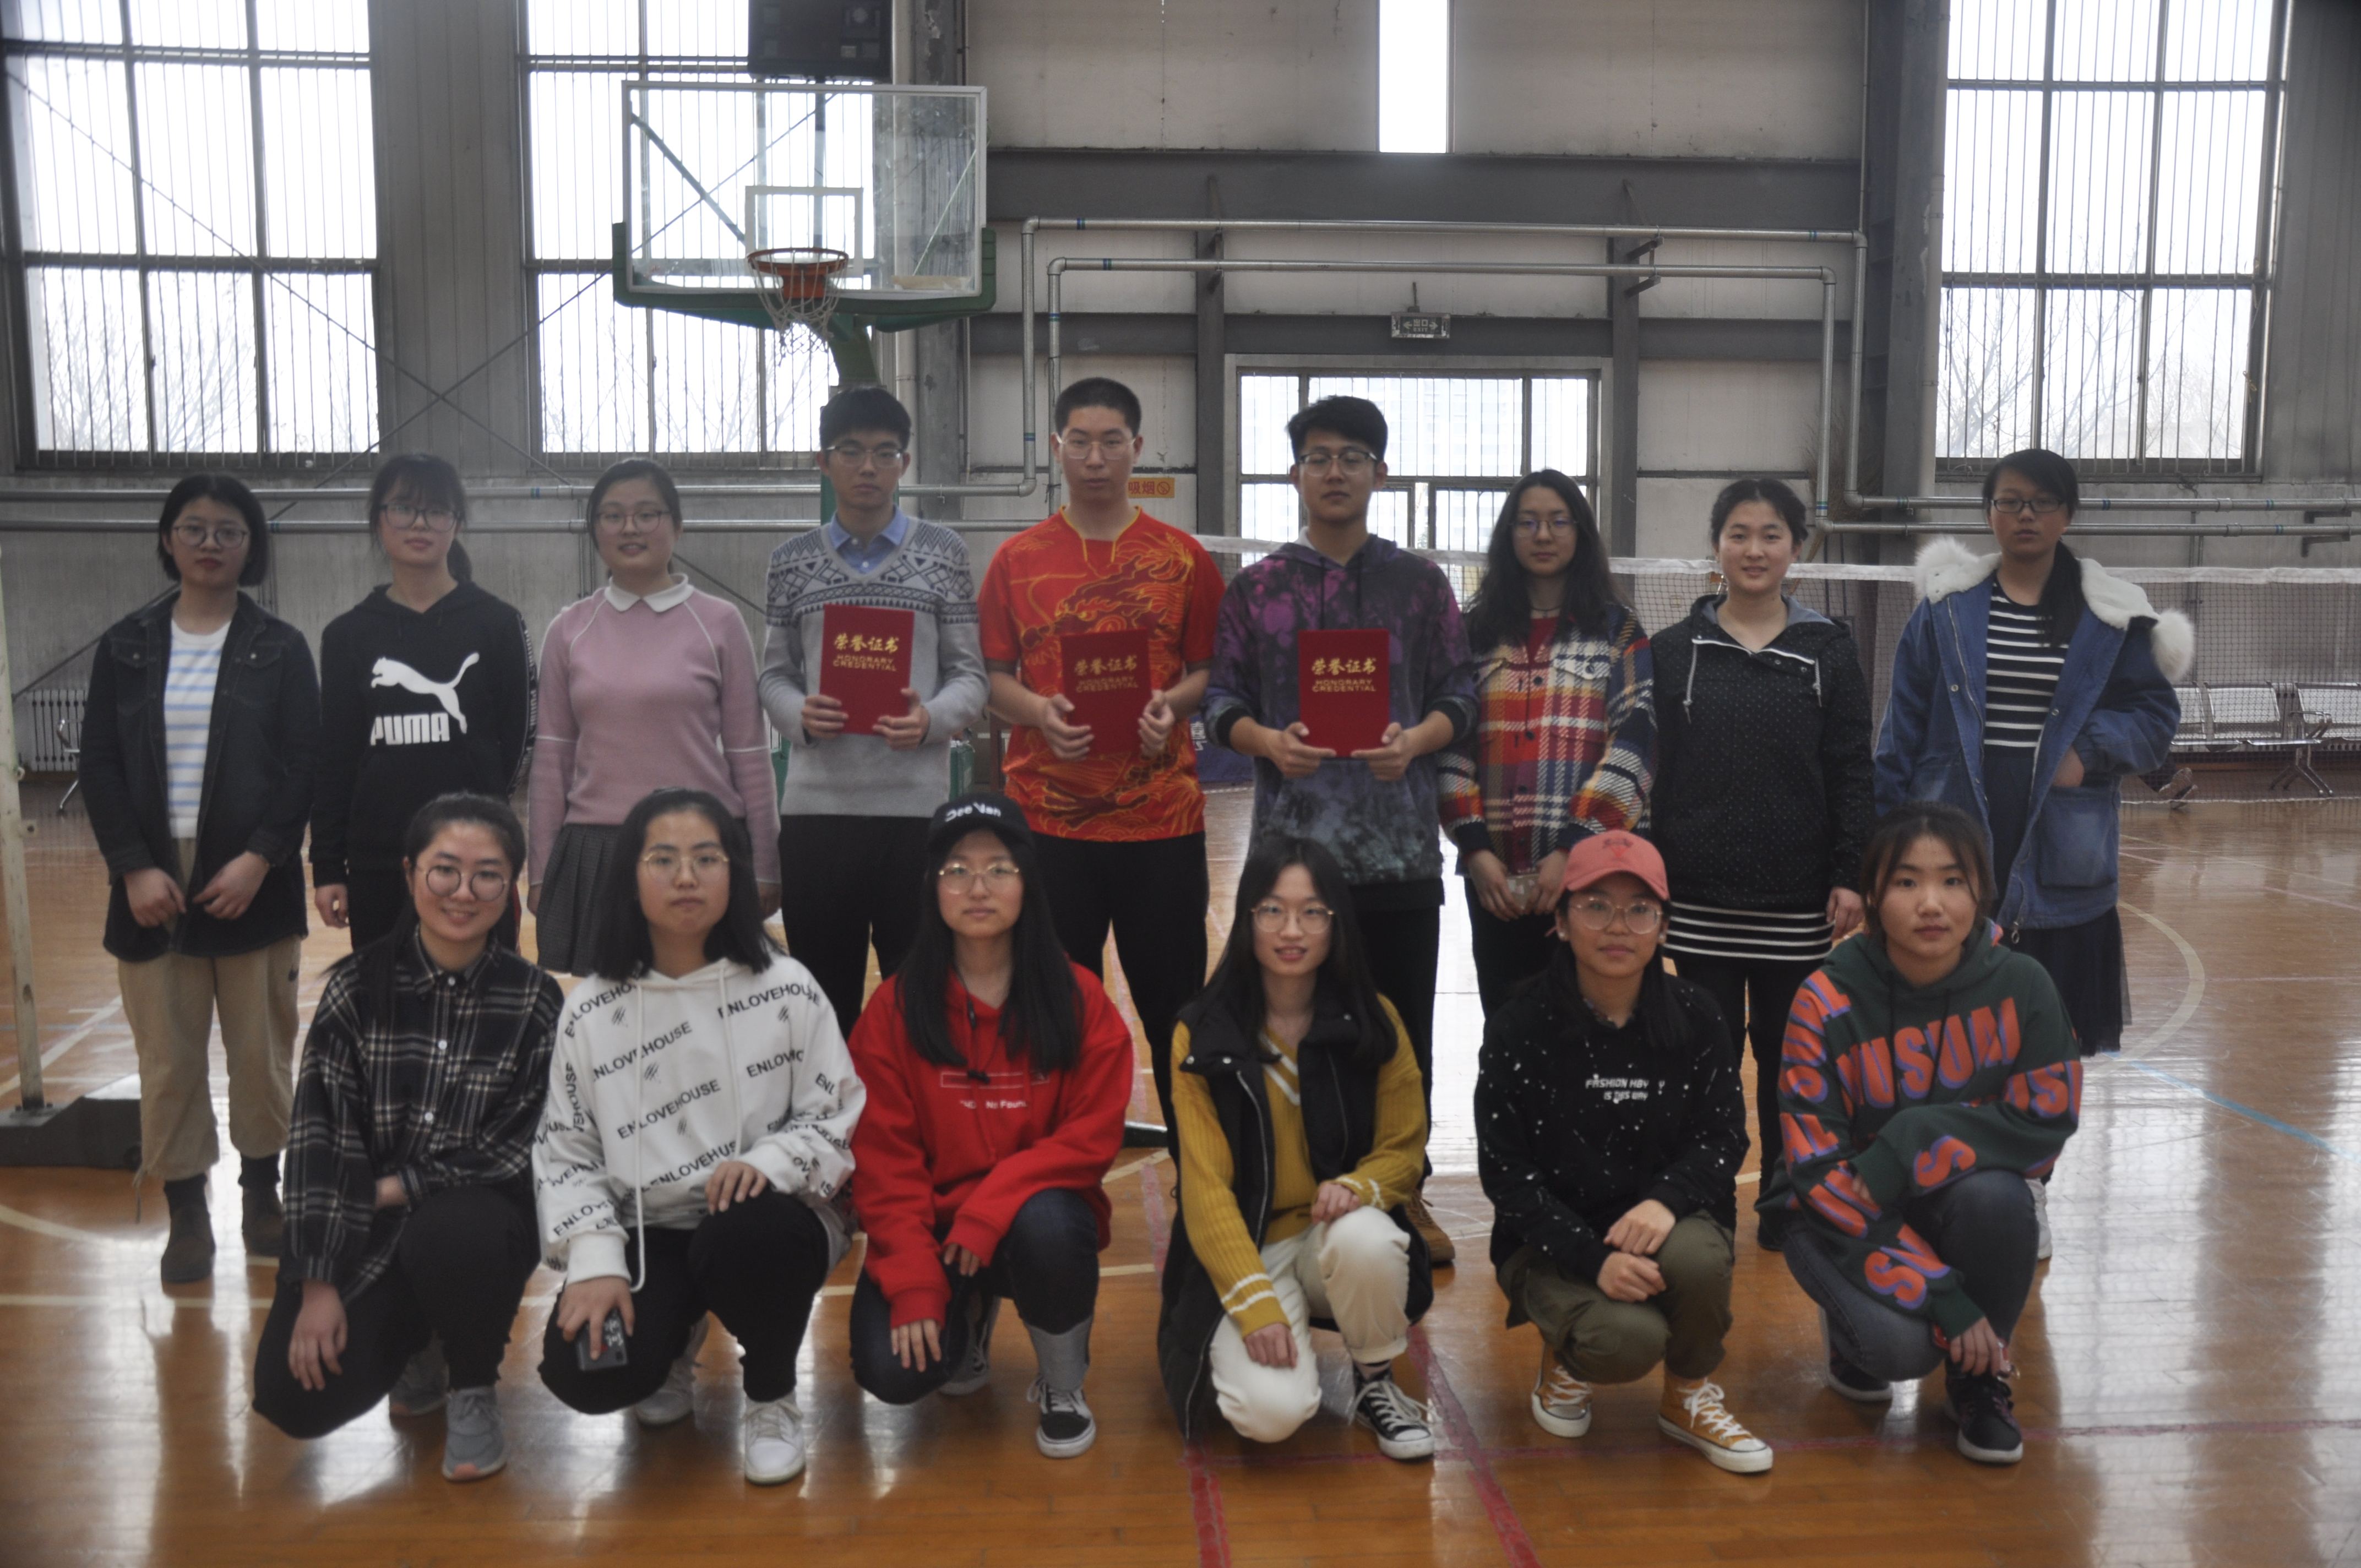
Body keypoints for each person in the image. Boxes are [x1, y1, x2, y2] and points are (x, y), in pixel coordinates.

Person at [1876, 448, 2186, 1252]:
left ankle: (2028, 1186)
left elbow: (2155, 719)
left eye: (2042, 502)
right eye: (2009, 501)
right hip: (1953, 845)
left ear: (2066, 516)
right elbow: (1901, 730)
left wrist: (2090, 752)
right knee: (1945, 1033)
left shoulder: (2111, 618)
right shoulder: (1944, 611)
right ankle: (1943, 1181)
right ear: (1988, 512)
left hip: (2061, 856)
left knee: (2045, 1042)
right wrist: (1883, 853)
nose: (2024, 515)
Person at [1201, 394, 1476, 1263]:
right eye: (1318, 457)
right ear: (1295, 474)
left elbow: (1461, 696)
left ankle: (1404, 1193)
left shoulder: (1420, 586)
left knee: (1402, 1038)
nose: (1334, 472)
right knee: (1295, 1037)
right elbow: (1219, 703)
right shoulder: (1259, 589)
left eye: (1352, 457)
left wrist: (1417, 742)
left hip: (1400, 854)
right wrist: (1267, 742)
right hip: (1293, 862)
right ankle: (1297, 1196)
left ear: (1379, 474)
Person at [535, 787, 862, 1485]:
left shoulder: (788, 987)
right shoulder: (590, 1009)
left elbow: (834, 1118)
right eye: (663, 859)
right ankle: (672, 1338)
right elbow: (566, 1152)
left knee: (747, 1235)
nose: (686, 877)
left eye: (706, 858)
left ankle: (771, 1393)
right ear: (630, 876)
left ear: (735, 873)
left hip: (766, 1221)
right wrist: (594, 1256)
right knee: (586, 1373)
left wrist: (771, 1162)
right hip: (648, 1229)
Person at [253, 794, 561, 1482]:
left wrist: (394, 1188)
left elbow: (516, 1148)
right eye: (444, 869)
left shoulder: (534, 1000)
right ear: (409, 872)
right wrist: (317, 1283)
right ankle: (417, 1342)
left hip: (475, 1228)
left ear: (510, 888)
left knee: (458, 1228)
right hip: (364, 1231)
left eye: (487, 874)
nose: (463, 891)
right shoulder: (356, 991)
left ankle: (472, 1384)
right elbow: (317, 1140)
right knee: (293, 1396)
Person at [1766, 802, 2082, 1466]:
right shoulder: (1823, 999)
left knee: (2000, 1198)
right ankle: (1852, 1332)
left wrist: (1914, 1135)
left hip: (1954, 1201)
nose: (1931, 904)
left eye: (1953, 881)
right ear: (1872, 896)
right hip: (1834, 1210)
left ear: (1981, 892)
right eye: (1906, 881)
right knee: (1898, 1351)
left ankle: (1978, 1382)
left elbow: (2046, 1121)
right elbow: (1818, 1172)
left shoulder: (2022, 984)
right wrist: (1945, 1297)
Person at [78, 474, 319, 1283]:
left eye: (229, 530)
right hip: (153, 884)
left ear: (252, 545)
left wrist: (262, 857)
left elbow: (305, 763)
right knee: (169, 1059)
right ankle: (186, 1211)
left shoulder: (282, 647)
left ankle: (261, 1196)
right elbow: (99, 764)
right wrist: (133, 867)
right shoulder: (126, 645)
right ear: (167, 539)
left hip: (254, 877)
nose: (211, 543)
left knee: (262, 1054)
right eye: (194, 527)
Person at [1472, 830, 1770, 1473]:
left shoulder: (1696, 1014)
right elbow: (1506, 1174)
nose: (1617, 926)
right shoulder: (1519, 1025)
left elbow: (1725, 1135)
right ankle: (1568, 1353)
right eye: (1595, 905)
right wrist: (1593, 1258)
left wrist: (1666, 1202)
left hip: (1661, 1222)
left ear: (1663, 926)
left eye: (1639, 909)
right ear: (1560, 920)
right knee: (1625, 1341)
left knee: (1697, 1257)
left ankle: (1687, 1394)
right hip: (1553, 1241)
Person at [846, 793, 1132, 1458]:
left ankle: (1062, 1382)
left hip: (1033, 1219)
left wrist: (990, 1206)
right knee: (893, 1373)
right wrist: (914, 1279)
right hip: (936, 1228)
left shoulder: (1077, 996)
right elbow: (883, 1160)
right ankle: (966, 1311)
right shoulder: (893, 1008)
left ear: (1028, 883)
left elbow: (1091, 1136)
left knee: (1050, 1224)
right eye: (957, 871)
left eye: (999, 869)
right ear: (932, 887)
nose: (978, 888)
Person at [977, 377, 1226, 1139]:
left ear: (1137, 448)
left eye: (1111, 441)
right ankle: (1056, 1165)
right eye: (1079, 442)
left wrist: (1170, 706)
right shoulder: (1016, 560)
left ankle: (1200, 1172)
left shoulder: (1182, 559)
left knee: (1175, 1008)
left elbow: (1209, 670)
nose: (1094, 458)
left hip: (1162, 822)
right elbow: (991, 677)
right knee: (1052, 1007)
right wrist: (1039, 714)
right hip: (1049, 825)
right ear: (1056, 449)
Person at [1156, 836, 1436, 1460]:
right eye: (1272, 911)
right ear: (1246, 918)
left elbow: (1403, 1149)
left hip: (1331, 1239)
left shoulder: (1375, 1021)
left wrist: (1359, 1187)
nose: (1291, 930)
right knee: (1270, 1415)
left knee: (1367, 1237)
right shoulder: (1200, 1033)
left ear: (1336, 923)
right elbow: (1205, 1188)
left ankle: (1375, 1379)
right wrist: (1253, 1303)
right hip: (1250, 1247)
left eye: (1312, 912)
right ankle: (1265, 1337)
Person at [1650, 478, 1874, 1250]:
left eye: (1771, 534)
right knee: (1706, 1064)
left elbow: (1850, 766)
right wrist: (1654, 881)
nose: (1754, 549)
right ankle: (1707, 1201)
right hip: (1698, 899)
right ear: (1717, 546)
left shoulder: (1828, 650)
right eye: (1738, 533)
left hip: (1796, 900)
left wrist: (1849, 871)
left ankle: (1787, 1202)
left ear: (1795, 548)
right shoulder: (1673, 650)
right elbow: (1655, 772)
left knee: (1790, 1061)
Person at [760, 387, 989, 1034]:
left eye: (885, 453)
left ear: (904, 463)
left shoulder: (944, 553)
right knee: (823, 1005)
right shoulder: (791, 563)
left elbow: (970, 675)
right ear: (823, 461)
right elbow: (773, 675)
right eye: (851, 451)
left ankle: (912, 1104)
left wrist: (931, 719)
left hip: (914, 815)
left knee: (920, 1003)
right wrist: (800, 714)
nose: (868, 467)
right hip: (816, 816)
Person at [529, 460, 780, 974]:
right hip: (599, 850)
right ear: (595, 530)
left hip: (702, 847)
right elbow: (552, 760)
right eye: (612, 516)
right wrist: (540, 870)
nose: (630, 528)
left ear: (677, 526)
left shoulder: (720, 622)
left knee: (709, 1000)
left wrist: (765, 865)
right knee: (614, 1007)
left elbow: (751, 756)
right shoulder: (569, 630)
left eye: (647, 514)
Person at [1440, 470, 1653, 1015]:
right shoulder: (1473, 633)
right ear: (1508, 535)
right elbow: (1450, 744)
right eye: (1528, 523)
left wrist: (1572, 850)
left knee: (1592, 1031)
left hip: (1593, 879)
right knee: (1507, 1029)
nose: (1543, 535)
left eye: (1559, 522)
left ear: (1580, 533)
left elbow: (1635, 742)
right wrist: (1475, 849)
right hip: (1494, 884)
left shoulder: (1618, 631)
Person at [311, 454, 535, 949]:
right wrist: (327, 865)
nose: (419, 523)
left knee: (486, 990)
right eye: (403, 509)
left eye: (436, 510)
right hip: (379, 860)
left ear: (457, 524)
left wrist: (484, 816)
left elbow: (519, 740)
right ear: (378, 521)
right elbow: (335, 759)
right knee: (387, 993)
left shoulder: (498, 623)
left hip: (476, 858)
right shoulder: (348, 635)